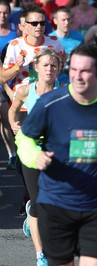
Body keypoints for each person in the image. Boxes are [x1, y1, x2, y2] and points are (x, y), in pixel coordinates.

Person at [14, 44, 97, 266]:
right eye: (73, 70)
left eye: (85, 71)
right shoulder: (50, 104)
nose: (77, 76)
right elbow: (24, 138)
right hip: (57, 204)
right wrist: (35, 156)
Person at [8, 48, 63, 266]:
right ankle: (41, 254)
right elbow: (13, 110)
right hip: (30, 151)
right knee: (39, 202)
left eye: (53, 65)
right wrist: (13, 123)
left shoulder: (66, 92)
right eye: (45, 65)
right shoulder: (24, 90)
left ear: (59, 69)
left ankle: (34, 214)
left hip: (55, 153)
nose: (49, 69)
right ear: (36, 68)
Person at [2, 6, 64, 88]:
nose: (39, 26)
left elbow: (61, 62)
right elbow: (3, 78)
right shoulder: (15, 45)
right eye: (34, 23)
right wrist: (17, 66)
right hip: (24, 96)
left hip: (49, 94)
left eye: (42, 23)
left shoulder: (54, 42)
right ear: (26, 25)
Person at [0, 0, 18, 169]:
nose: (2, 16)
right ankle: (12, 153)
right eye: (0, 12)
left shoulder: (14, 33)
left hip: (12, 81)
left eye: (5, 12)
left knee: (7, 120)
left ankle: (15, 152)